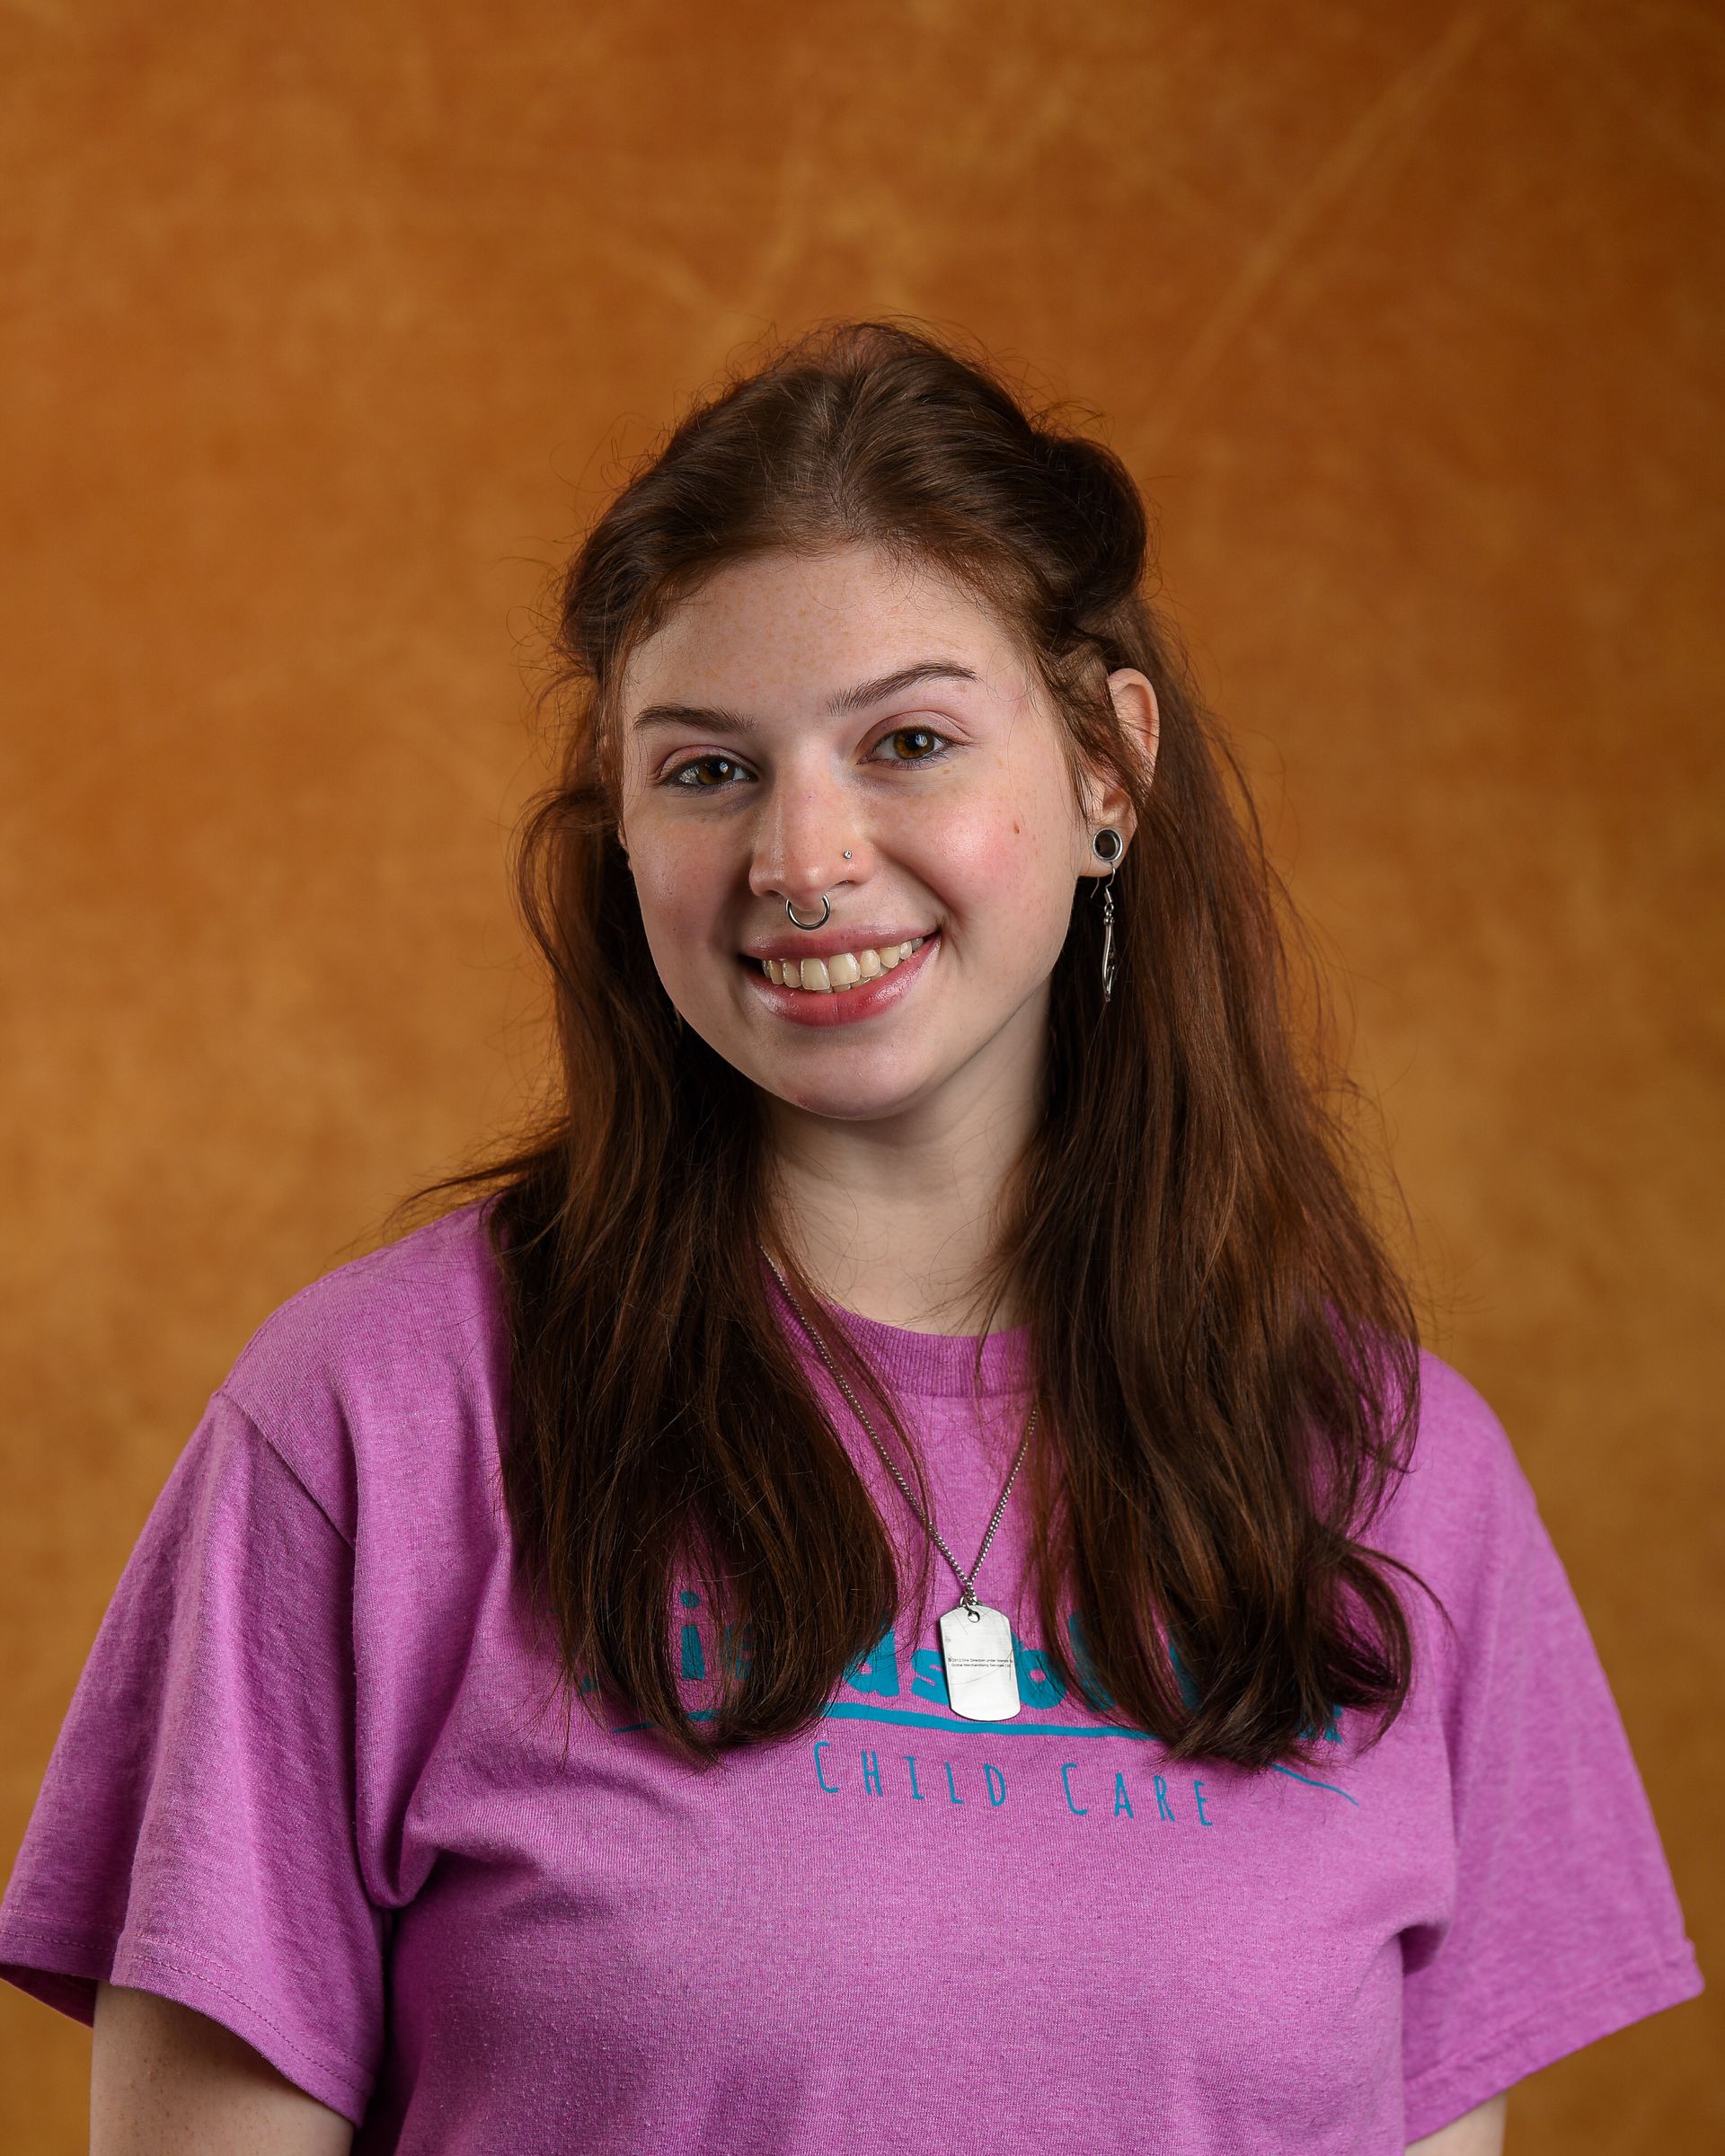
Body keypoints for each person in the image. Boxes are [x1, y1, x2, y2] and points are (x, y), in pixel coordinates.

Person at [0, 320, 1703, 2154]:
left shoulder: (1393, 1473)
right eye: (709, 769)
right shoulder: (378, 1426)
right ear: (620, 825)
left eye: (906, 742)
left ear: (1107, 775)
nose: (803, 857)